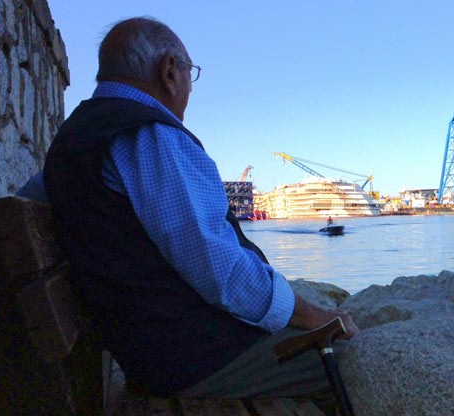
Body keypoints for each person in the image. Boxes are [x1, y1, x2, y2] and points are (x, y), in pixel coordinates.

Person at [41, 17, 358, 399]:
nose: (190, 88)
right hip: (196, 359)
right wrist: (316, 316)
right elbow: (220, 272)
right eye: (191, 73)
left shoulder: (79, 133)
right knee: (360, 360)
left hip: (148, 347)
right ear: (170, 71)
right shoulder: (149, 135)